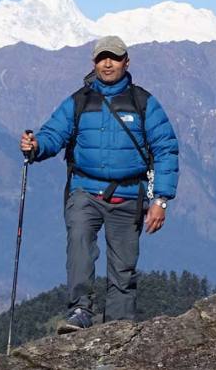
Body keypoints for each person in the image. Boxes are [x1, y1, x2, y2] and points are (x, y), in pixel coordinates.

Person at [19, 35, 179, 333]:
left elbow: (165, 149)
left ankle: (116, 329)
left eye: (114, 57)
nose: (108, 63)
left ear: (126, 62)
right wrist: (35, 146)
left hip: (130, 196)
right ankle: (80, 311)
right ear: (94, 62)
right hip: (85, 191)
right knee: (79, 245)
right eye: (102, 57)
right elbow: (53, 135)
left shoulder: (143, 103)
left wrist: (161, 200)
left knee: (123, 268)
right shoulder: (79, 102)